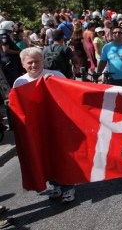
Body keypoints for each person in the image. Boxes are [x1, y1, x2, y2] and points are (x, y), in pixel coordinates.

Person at [13, 48, 76, 204]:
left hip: (57, 126)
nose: (34, 65)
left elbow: (70, 97)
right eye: (30, 62)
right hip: (37, 129)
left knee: (62, 156)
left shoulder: (56, 75)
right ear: (23, 64)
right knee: (45, 156)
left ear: (42, 60)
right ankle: (55, 185)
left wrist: (55, 84)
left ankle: (68, 186)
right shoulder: (19, 82)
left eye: (37, 61)